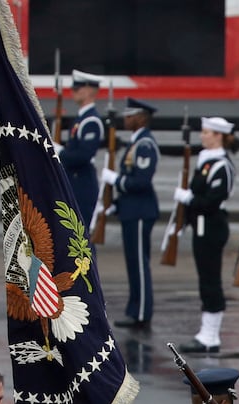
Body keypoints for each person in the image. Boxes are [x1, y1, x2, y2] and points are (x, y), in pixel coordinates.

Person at [174, 116, 237, 354]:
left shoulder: (221, 165)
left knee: (211, 280)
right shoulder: (205, 161)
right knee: (205, 280)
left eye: (207, 132)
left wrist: (189, 199)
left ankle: (211, 335)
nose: (203, 136)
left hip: (212, 227)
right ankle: (205, 332)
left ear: (219, 135)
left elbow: (212, 200)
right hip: (201, 226)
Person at [102, 98, 159, 329]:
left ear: (141, 117)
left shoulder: (145, 144)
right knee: (133, 264)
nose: (126, 120)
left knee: (139, 264)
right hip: (131, 210)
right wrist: (116, 204)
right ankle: (135, 309)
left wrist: (116, 180)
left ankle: (142, 312)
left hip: (140, 212)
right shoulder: (136, 142)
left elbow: (141, 182)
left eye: (130, 115)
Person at [56, 70, 104, 222]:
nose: (73, 92)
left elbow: (83, 155)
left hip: (82, 183)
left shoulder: (91, 121)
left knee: (82, 237)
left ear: (90, 90)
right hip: (74, 182)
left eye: (78, 88)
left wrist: (59, 151)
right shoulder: (81, 118)